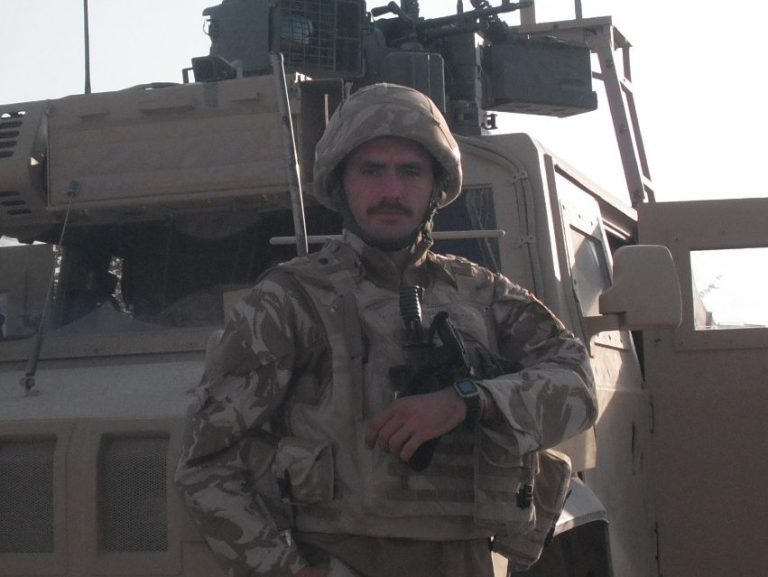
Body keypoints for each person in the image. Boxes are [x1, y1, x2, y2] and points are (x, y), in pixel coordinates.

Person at [175, 83, 597, 577]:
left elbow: (578, 383)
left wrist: (465, 400)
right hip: (337, 556)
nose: (391, 192)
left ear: (436, 187)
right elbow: (205, 463)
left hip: (463, 558)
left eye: (410, 172)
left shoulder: (481, 293)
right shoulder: (291, 299)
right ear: (341, 185)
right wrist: (286, 571)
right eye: (371, 171)